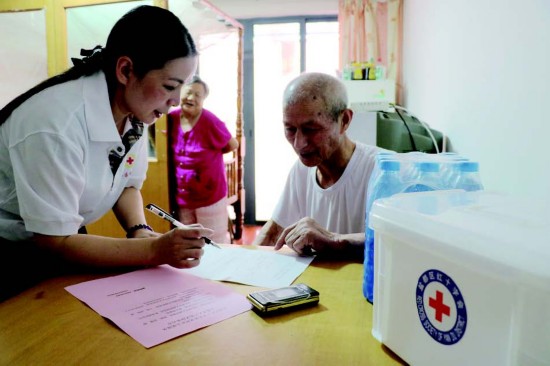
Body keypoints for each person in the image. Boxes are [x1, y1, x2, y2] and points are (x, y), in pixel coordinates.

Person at [0, 5, 212, 301]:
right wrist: (153, 250)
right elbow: (53, 240)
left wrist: (139, 229)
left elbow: (125, 183)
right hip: (13, 254)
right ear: (125, 70)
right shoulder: (54, 123)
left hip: (65, 239)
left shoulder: (133, 115)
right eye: (169, 86)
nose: (176, 101)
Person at [252, 72, 386, 257]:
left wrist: (336, 241)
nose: (299, 143)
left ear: (344, 120)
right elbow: (274, 230)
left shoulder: (382, 171)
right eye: (290, 129)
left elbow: (398, 242)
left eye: (311, 129)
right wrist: (247, 264)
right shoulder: (301, 171)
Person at [167, 76, 238, 244]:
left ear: (203, 99)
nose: (191, 98)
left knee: (214, 242)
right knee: (188, 242)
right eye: (188, 92)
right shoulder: (170, 119)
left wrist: (211, 158)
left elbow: (231, 144)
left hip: (210, 194)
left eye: (198, 95)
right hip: (183, 197)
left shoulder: (210, 121)